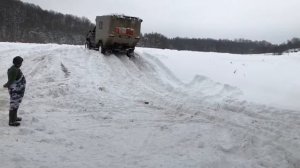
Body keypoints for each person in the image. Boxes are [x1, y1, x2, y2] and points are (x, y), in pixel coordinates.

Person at [3, 56, 26, 127]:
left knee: (16, 105)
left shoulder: (15, 68)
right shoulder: (14, 70)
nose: (21, 64)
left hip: (18, 91)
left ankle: (14, 118)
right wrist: (6, 85)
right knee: (13, 105)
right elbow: (11, 81)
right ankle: (12, 121)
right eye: (21, 62)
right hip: (16, 91)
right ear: (18, 63)